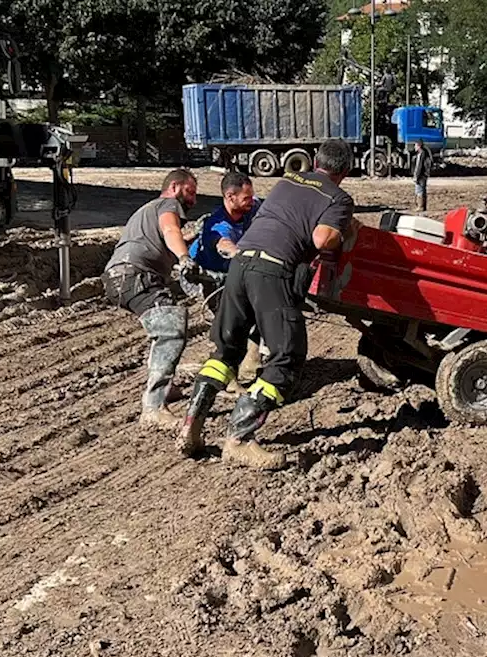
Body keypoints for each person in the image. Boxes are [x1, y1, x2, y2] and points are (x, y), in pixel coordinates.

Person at [177, 139, 358, 468]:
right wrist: (343, 232)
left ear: (316, 161)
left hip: (241, 264)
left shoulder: (286, 181)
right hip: (272, 271)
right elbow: (322, 239)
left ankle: (192, 423)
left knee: (225, 352)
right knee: (286, 357)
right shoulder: (339, 197)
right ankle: (240, 440)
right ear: (344, 172)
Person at [102, 168, 200, 428]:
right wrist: (184, 259)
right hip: (134, 275)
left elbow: (167, 237)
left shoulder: (148, 211)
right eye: (190, 192)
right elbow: (169, 231)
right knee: (170, 328)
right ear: (176, 187)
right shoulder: (166, 204)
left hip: (122, 276)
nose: (193, 200)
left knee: (167, 320)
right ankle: (154, 407)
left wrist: (192, 237)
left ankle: (166, 387)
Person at [181, 170, 261, 300]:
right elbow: (223, 244)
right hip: (206, 274)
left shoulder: (251, 205)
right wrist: (243, 256)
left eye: (251, 196)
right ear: (230, 197)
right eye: (246, 198)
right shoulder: (219, 226)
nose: (251, 202)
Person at [412, 140, 432, 212]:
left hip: (422, 175)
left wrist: (416, 176)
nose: (414, 147)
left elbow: (419, 166)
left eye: (415, 145)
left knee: (419, 190)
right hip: (422, 174)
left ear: (419, 146)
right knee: (421, 190)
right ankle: (422, 206)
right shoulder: (421, 154)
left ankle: (420, 206)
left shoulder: (422, 154)